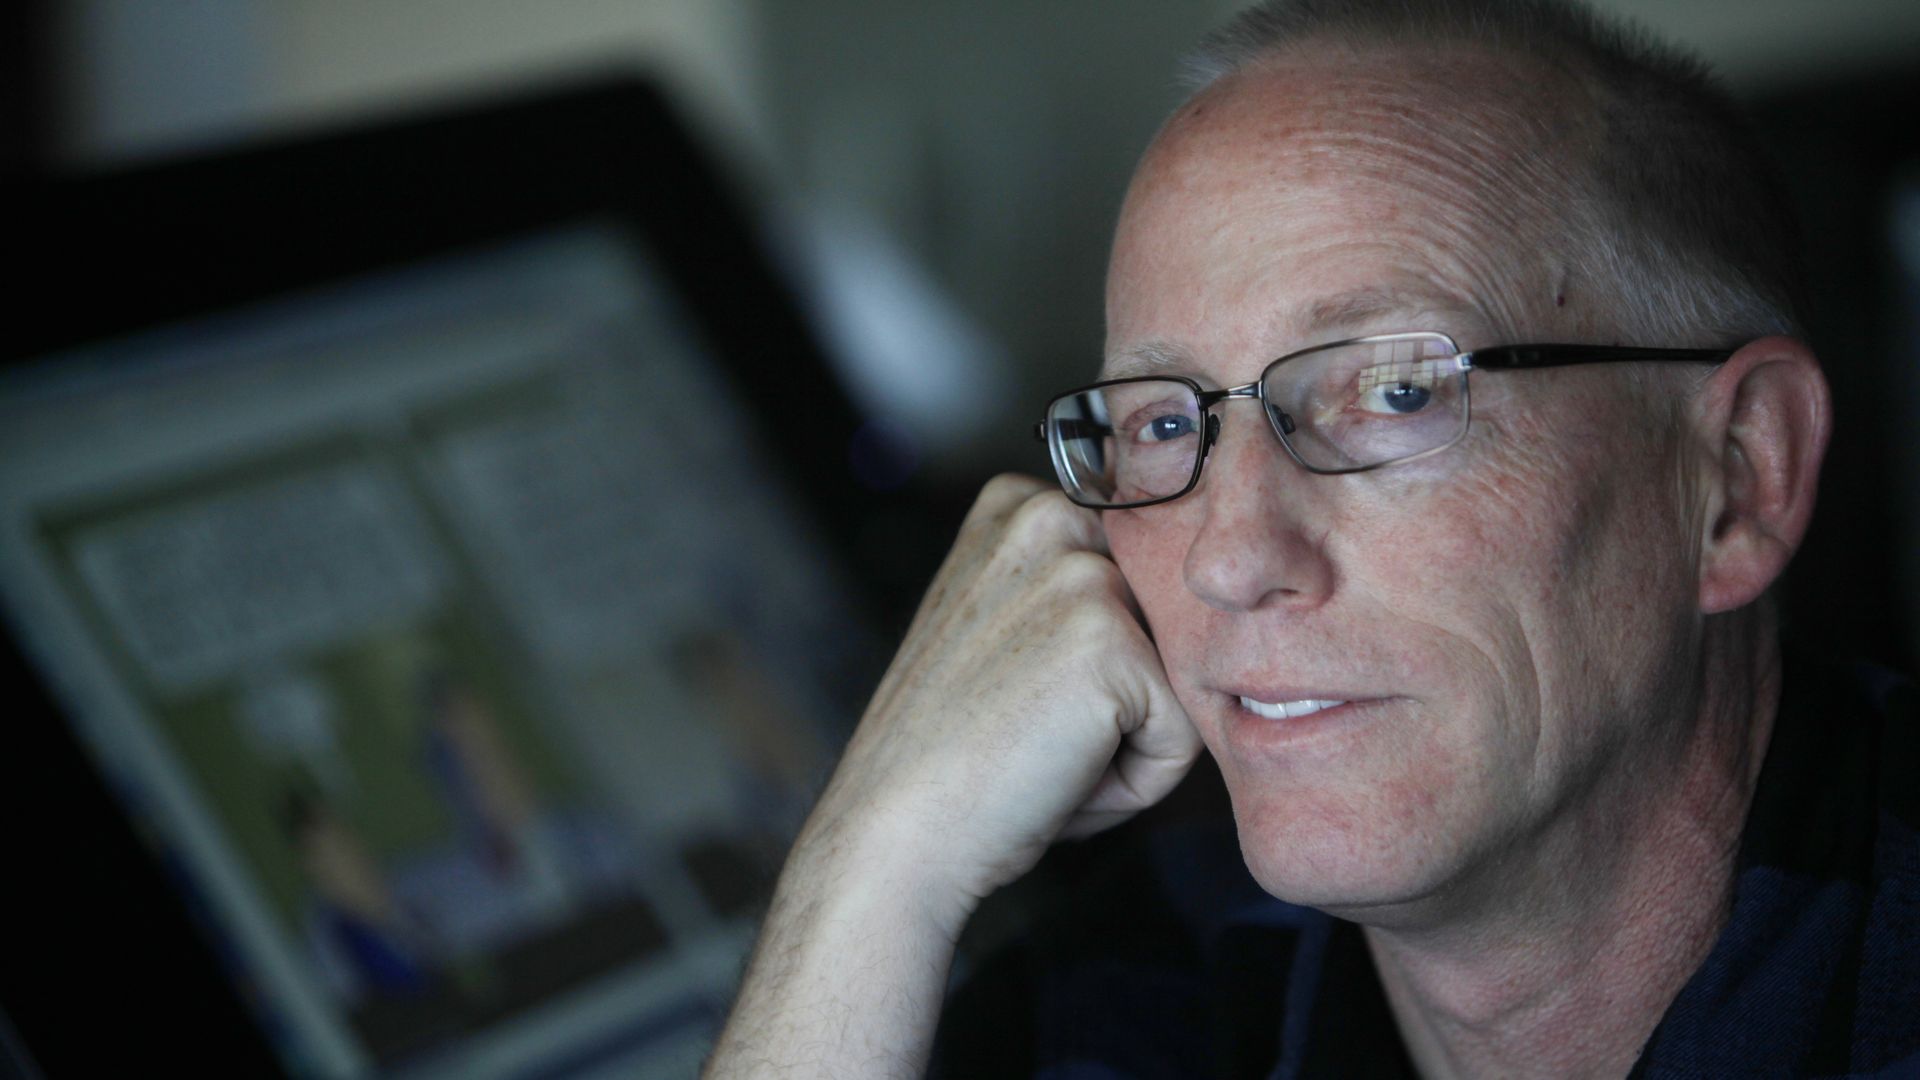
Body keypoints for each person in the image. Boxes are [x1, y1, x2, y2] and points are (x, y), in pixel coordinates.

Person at [705, 0, 1920, 1075]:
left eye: (1395, 392)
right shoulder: (1139, 997)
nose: (1229, 560)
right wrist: (873, 870)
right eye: (1164, 420)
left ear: (1738, 477)